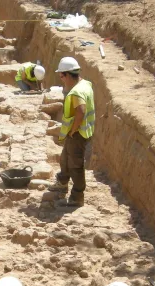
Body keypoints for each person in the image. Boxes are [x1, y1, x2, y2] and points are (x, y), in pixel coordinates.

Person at [49, 57, 95, 207]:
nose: (61, 79)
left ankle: (77, 196)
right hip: (77, 132)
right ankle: (62, 182)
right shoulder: (85, 84)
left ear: (68, 74)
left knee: (75, 165)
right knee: (65, 158)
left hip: (78, 133)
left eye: (61, 76)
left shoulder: (76, 92)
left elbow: (80, 112)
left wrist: (73, 130)